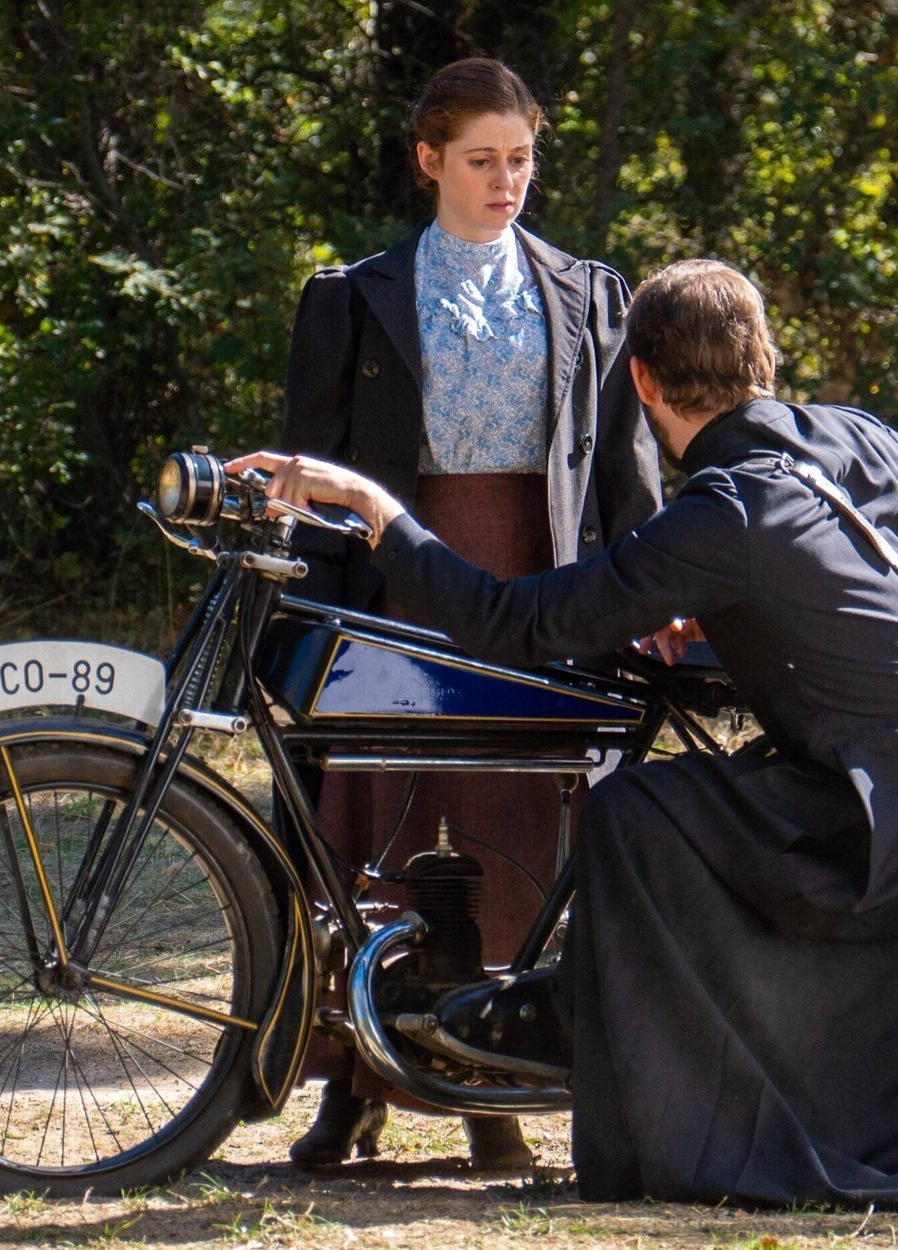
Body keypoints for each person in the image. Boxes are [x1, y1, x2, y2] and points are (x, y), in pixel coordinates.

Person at [232, 259, 898, 1208]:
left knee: (636, 810)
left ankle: (594, 1029)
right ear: (766, 356)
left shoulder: (720, 515)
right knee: (689, 799)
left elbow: (516, 622)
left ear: (638, 380)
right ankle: (585, 1010)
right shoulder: (860, 440)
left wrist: (376, 510)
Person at [277, 57, 661, 1170]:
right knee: (374, 822)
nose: (507, 180)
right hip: (394, 586)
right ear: (428, 159)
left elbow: (621, 479)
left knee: (509, 827)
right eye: (483, 160)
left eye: (522, 159)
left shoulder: (589, 290)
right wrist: (299, 632)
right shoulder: (350, 296)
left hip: (533, 591)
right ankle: (356, 1081)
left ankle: (491, 1077)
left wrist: (640, 600)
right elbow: (316, 479)